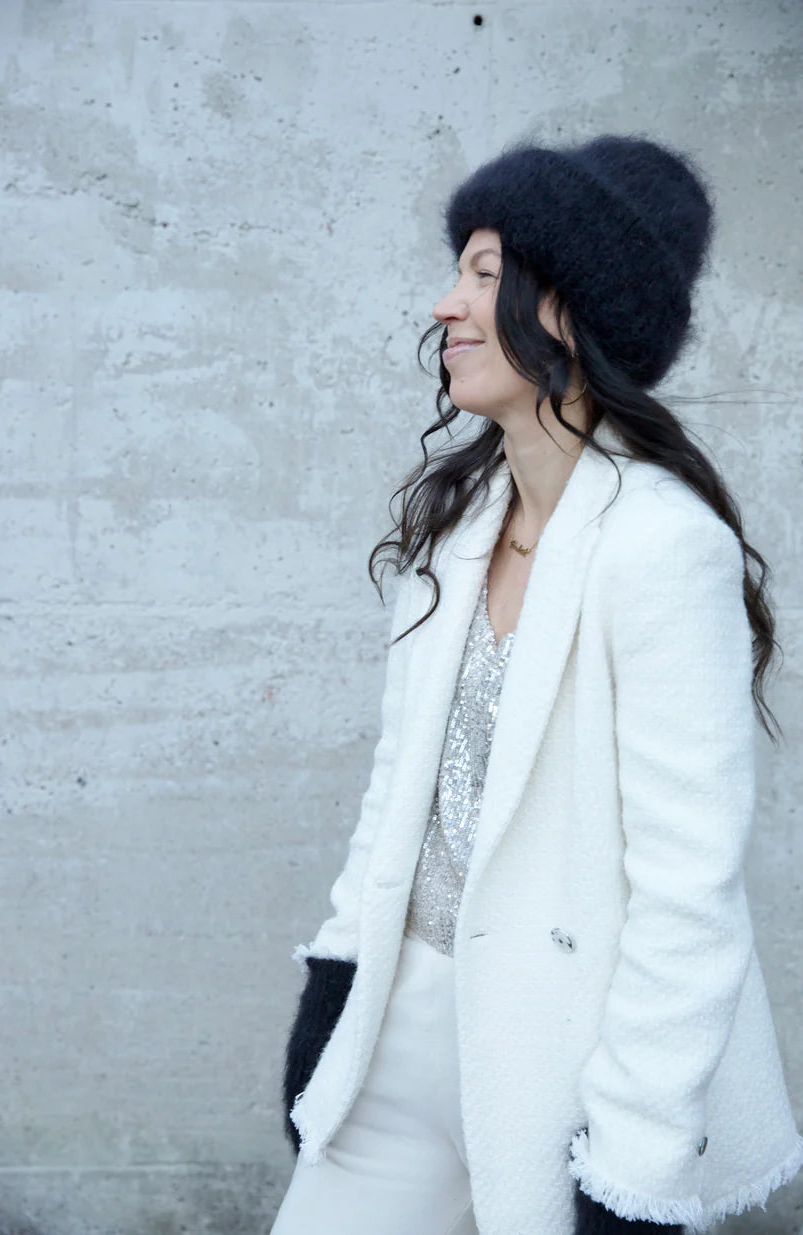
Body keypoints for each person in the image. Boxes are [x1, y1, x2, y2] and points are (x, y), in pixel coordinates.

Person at [269, 134, 803, 1235]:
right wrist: (337, 977)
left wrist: (636, 1159)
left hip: (567, 1060)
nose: (445, 305)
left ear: (570, 307)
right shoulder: (456, 526)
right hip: (401, 1028)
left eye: (482, 271)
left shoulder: (662, 547)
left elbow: (686, 890)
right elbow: (398, 787)